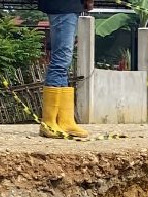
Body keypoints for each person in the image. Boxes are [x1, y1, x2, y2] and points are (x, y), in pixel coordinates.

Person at [38, 0, 93, 139]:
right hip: (64, 6)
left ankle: (64, 120)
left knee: (63, 62)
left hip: (65, 6)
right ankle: (49, 122)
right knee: (61, 61)